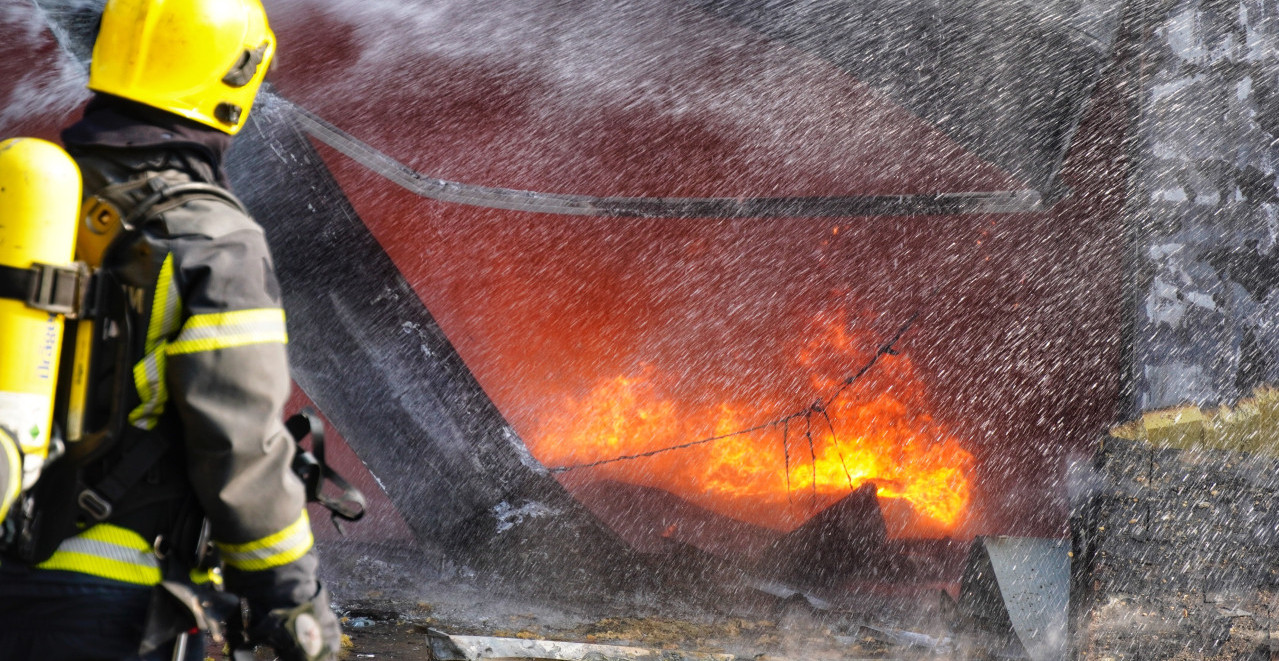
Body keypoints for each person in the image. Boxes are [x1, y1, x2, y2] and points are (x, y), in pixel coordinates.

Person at [0, 0, 340, 659]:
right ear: (234, 78)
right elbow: (238, 443)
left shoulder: (31, 200)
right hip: (106, 603)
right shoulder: (210, 238)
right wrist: (293, 596)